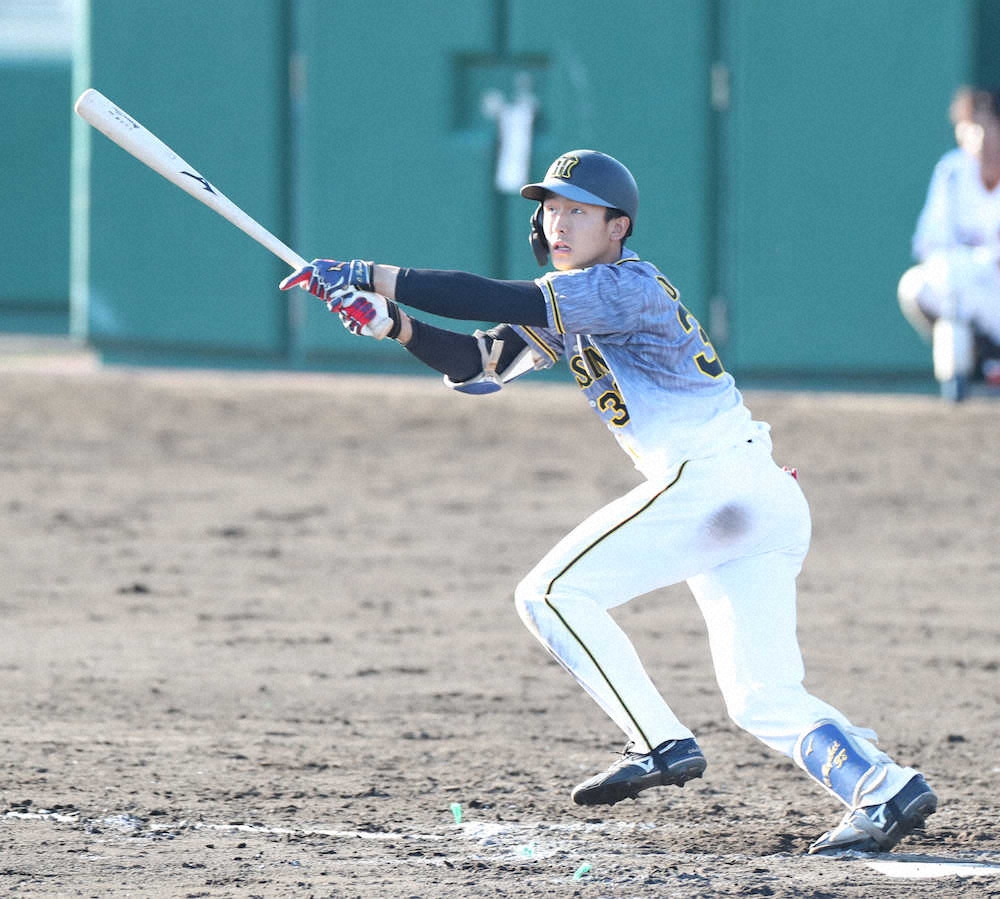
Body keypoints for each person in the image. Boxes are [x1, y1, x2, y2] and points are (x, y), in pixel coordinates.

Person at [281, 149, 938, 854]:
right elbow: (479, 364)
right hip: (752, 495)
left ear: (617, 226)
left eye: (576, 210)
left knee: (549, 594)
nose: (556, 222)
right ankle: (884, 787)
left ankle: (656, 741)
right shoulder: (575, 301)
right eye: (550, 208)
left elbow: (494, 297)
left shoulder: (623, 286)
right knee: (761, 695)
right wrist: (392, 324)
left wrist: (369, 273)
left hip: (712, 480)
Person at [898, 87, 1000, 396]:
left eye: (987, 126)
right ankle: (972, 368)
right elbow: (928, 242)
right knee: (917, 287)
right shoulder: (952, 170)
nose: (979, 137)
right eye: (970, 127)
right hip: (964, 285)